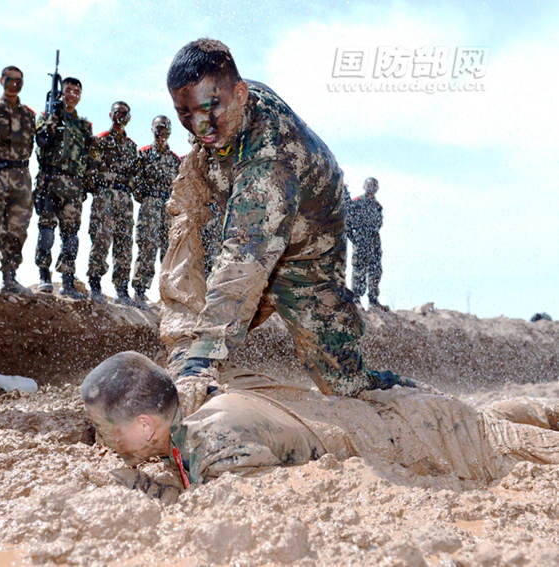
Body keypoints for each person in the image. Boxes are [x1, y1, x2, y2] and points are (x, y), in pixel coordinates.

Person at [160, 39, 410, 408]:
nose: (199, 126)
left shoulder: (270, 163)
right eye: (185, 114)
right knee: (198, 299)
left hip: (306, 257)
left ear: (241, 94)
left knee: (346, 386)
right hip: (254, 225)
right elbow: (192, 218)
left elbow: (243, 265)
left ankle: (417, 399)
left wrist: (201, 360)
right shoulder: (231, 103)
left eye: (209, 110)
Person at [82, 351, 559, 503]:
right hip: (402, 410)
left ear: (147, 427)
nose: (104, 440)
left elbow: (239, 505)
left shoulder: (212, 444)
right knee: (497, 418)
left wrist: (152, 491)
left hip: (436, 439)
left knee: (505, 437)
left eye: (107, 429)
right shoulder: (203, 406)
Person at [34, 77, 92, 299]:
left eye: (77, 91)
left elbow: (89, 158)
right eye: (69, 90)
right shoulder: (47, 117)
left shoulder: (84, 126)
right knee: (46, 230)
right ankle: (44, 276)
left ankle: (67, 281)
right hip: (50, 178)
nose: (73, 95)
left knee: (71, 236)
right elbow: (41, 141)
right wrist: (53, 116)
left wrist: (86, 184)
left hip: (73, 185)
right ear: (61, 92)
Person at [0, 65, 35, 295]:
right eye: (9, 79)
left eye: (18, 80)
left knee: (18, 229)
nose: (14, 84)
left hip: (21, 176)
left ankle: (10, 276)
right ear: (1, 80)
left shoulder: (29, 115)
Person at [85, 101, 139, 305]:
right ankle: (95, 283)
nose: (121, 117)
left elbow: (135, 176)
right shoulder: (99, 141)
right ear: (110, 115)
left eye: (125, 113)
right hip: (105, 196)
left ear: (129, 118)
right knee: (101, 238)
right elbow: (90, 170)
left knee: (124, 243)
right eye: (117, 113)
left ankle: (122, 289)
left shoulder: (132, 147)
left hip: (125, 199)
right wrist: (100, 188)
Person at [131, 115, 181, 310]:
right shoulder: (144, 153)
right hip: (150, 204)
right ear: (153, 129)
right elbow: (135, 181)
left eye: (166, 128)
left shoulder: (174, 160)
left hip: (168, 208)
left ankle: (167, 296)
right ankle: (140, 291)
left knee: (169, 253)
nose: (162, 132)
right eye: (159, 128)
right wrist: (146, 198)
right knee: (147, 247)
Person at [346, 176, 385, 308]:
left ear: (377, 189)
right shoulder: (357, 203)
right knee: (359, 269)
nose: (371, 188)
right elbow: (347, 222)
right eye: (368, 185)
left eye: (374, 186)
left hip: (374, 241)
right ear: (364, 187)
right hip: (361, 240)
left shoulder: (377, 206)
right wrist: (355, 239)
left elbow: (379, 224)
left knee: (376, 269)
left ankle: (373, 299)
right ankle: (356, 298)